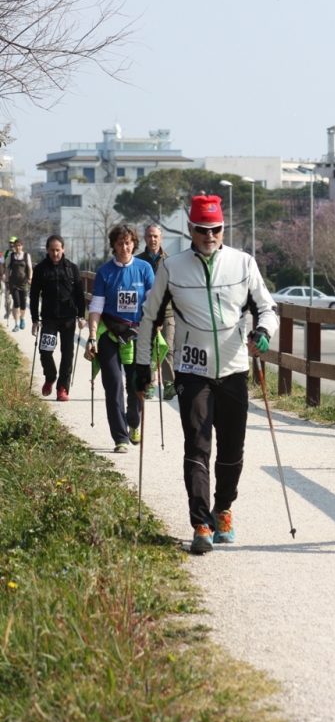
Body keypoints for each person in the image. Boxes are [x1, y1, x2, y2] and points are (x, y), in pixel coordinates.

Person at [135, 194, 278, 554]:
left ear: (223, 228)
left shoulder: (243, 264)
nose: (209, 235)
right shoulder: (172, 268)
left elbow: (268, 308)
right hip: (192, 371)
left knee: (232, 451)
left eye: (215, 229)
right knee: (197, 445)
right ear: (190, 230)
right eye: (202, 229)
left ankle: (223, 509)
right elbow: (149, 319)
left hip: (233, 371)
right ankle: (200, 523)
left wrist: (263, 333)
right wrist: (141, 367)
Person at [84, 224, 154, 453]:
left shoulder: (144, 269)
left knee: (136, 383)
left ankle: (134, 421)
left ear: (134, 243)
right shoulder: (105, 272)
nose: (124, 247)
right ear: (113, 245)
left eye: (128, 242)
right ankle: (120, 437)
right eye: (119, 243)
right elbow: (96, 306)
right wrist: (92, 336)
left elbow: (153, 302)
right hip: (110, 334)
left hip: (136, 334)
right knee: (112, 384)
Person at [30, 234, 87, 401]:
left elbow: (79, 294)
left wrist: (81, 316)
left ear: (63, 249)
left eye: (58, 250)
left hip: (68, 317)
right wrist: (35, 319)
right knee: (45, 351)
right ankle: (50, 377)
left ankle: (62, 387)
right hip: (48, 317)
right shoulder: (40, 269)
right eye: (52, 250)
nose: (55, 253)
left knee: (67, 353)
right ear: (47, 250)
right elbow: (34, 295)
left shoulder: (72, 268)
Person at [135, 223, 176, 400]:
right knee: (148, 348)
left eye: (155, 236)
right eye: (149, 236)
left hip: (167, 312)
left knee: (166, 347)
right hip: (145, 312)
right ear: (145, 238)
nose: (152, 239)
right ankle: (150, 384)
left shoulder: (170, 261)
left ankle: (168, 383)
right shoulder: (137, 261)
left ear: (161, 238)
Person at [6, 238, 32, 331]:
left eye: (19, 245)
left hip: (24, 283)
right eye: (16, 245)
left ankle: (22, 318)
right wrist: (7, 281)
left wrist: (30, 278)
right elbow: (8, 269)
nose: (17, 247)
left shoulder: (26, 256)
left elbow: (29, 268)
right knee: (16, 303)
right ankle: (16, 324)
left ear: (22, 246)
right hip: (14, 283)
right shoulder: (11, 256)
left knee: (23, 304)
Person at [2, 237, 16, 320]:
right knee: (7, 297)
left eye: (13, 243)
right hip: (7, 278)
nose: (11, 244)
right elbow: (2, 264)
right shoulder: (6, 253)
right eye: (10, 242)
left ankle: (15, 312)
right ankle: (7, 311)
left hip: (16, 279)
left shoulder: (19, 254)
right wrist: (2, 274)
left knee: (16, 297)